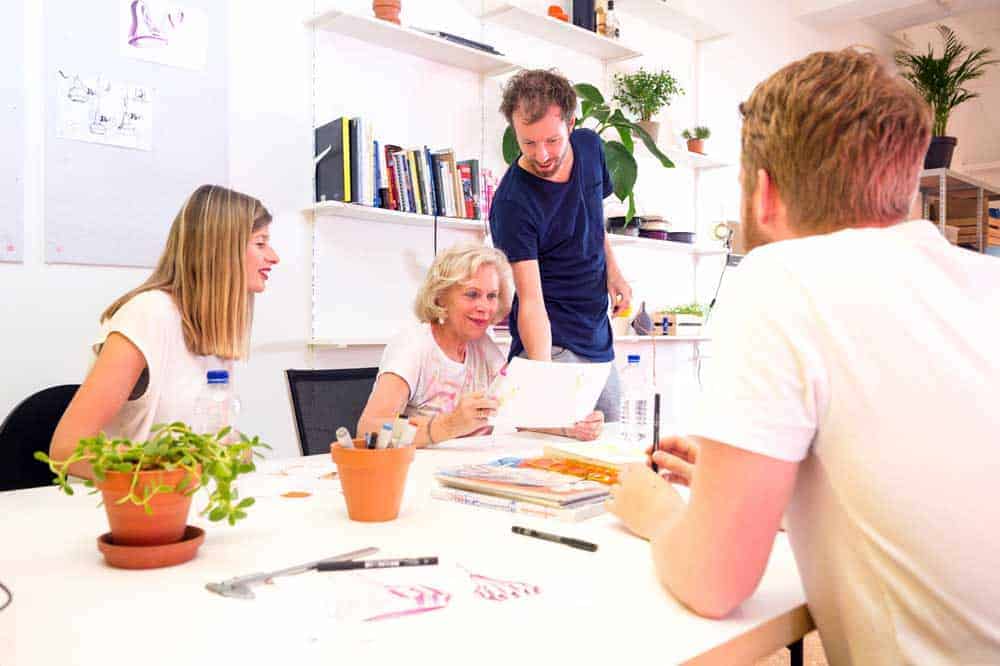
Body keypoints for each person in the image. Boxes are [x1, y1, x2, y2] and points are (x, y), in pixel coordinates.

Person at [607, 48, 1000, 665]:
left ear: (762, 191)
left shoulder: (780, 275)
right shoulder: (984, 282)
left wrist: (659, 515)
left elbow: (714, 583)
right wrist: (759, 480)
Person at [49, 185, 279, 477]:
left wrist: (230, 449)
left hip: (186, 503)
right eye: (260, 243)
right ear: (221, 249)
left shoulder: (211, 328)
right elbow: (67, 450)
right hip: (124, 509)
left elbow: (204, 441)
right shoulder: (147, 314)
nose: (273, 257)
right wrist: (172, 462)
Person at [358, 243, 604, 447]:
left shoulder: (482, 345)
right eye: (472, 294)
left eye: (492, 296)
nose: (484, 307)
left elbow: (519, 412)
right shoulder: (413, 346)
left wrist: (570, 425)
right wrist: (451, 423)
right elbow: (368, 429)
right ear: (441, 296)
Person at [489, 69, 631, 422]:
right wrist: (542, 382)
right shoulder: (512, 203)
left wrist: (613, 271)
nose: (541, 155)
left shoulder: (590, 147)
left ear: (570, 123)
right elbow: (531, 302)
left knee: (613, 446)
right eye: (528, 143)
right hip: (554, 344)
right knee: (556, 458)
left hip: (599, 337)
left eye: (551, 140)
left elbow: (593, 215)